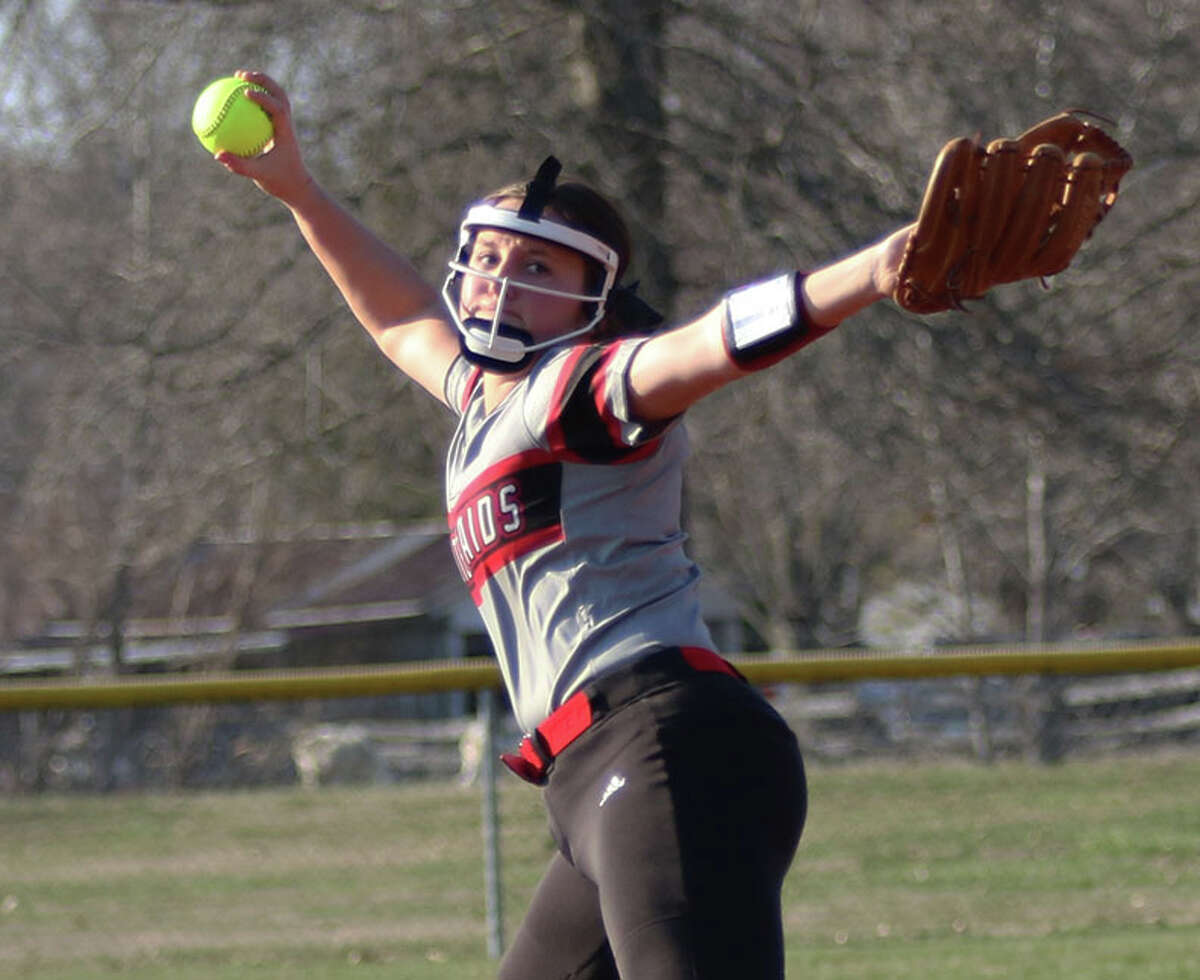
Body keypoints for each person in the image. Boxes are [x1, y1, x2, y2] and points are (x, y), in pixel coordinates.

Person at [215, 69, 913, 980]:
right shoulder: (483, 401)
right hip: (600, 770)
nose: (499, 282)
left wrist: (871, 272)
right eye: (490, 257)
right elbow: (397, 320)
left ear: (596, 299)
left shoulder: (576, 385)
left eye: (537, 265)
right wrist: (298, 190)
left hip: (667, 742)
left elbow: (710, 346)